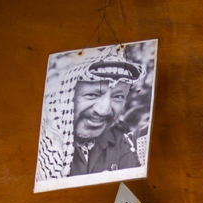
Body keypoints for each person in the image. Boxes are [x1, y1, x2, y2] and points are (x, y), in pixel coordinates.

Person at [36, 50, 143, 182]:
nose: (104, 110)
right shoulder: (41, 145)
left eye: (118, 96)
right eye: (92, 95)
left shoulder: (120, 141)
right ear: (67, 98)